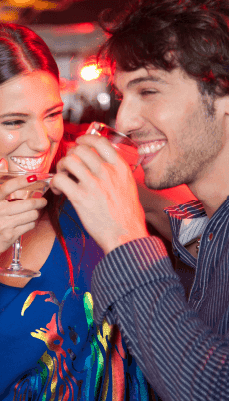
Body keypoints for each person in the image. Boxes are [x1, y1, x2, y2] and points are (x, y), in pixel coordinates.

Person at [0, 21, 165, 401]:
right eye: (14, 121)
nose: (42, 141)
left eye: (52, 114)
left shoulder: (91, 183)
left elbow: (201, 226)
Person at [50, 0, 229, 400]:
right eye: (122, 95)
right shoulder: (209, 223)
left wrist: (125, 238)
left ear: (222, 95)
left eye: (148, 90)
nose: (125, 121)